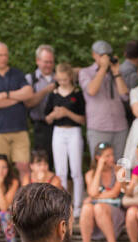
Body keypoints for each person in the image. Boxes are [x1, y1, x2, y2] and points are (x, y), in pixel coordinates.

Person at [0, 41, 34, 180]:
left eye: (5, 55)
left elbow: (29, 93)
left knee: (24, 166)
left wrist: (5, 95)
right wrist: (18, 97)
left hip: (19, 128)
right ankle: (3, 200)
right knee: (0, 169)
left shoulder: (17, 73)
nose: (3, 58)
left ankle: (26, 200)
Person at [44, 62, 87, 215]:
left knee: (76, 171)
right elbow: (47, 118)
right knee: (61, 171)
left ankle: (78, 206)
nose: (62, 82)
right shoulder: (53, 94)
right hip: (58, 132)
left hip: (73, 131)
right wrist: (54, 115)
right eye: (60, 79)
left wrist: (67, 113)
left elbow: (83, 119)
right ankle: (63, 206)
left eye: (65, 79)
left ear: (70, 77)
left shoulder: (77, 94)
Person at [80, 42, 130, 161]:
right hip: (99, 127)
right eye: (102, 55)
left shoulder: (115, 72)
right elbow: (92, 90)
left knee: (121, 164)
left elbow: (125, 96)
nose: (106, 58)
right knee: (99, 164)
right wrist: (102, 68)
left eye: (108, 55)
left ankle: (122, 181)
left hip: (120, 127)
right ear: (94, 55)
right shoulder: (86, 72)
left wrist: (116, 73)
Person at [78, 142, 125, 242]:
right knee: (87, 208)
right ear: (98, 158)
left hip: (116, 211)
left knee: (97, 206)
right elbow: (93, 192)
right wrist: (99, 169)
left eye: (112, 155)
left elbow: (114, 193)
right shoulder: (90, 174)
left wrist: (95, 198)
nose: (112, 158)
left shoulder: (120, 170)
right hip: (97, 214)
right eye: (107, 156)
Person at [25, 45, 58, 162]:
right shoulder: (30, 79)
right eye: (45, 62)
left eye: (51, 62)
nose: (48, 65)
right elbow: (28, 103)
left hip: (59, 126)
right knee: (42, 161)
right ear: (37, 61)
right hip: (39, 127)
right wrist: (46, 90)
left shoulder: (59, 77)